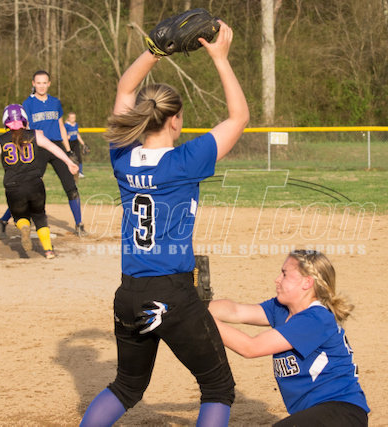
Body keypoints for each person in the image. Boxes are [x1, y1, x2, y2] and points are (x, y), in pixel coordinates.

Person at [80, 21, 249, 427]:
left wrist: (154, 51)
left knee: (126, 386)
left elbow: (125, 89)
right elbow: (239, 117)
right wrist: (220, 59)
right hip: (171, 294)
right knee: (217, 387)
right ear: (174, 121)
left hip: (129, 293)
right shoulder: (185, 161)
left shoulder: (122, 156)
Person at [208, 250, 370, 427]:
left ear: (307, 282)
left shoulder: (316, 319)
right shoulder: (282, 309)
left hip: (341, 413)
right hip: (316, 414)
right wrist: (194, 306)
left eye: (285, 274)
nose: (277, 279)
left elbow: (251, 347)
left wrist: (202, 320)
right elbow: (235, 311)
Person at [0, 70, 88, 238]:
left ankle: (79, 224)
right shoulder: (28, 104)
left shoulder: (55, 102)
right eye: (38, 83)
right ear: (33, 84)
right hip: (38, 147)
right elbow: (24, 128)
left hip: (56, 146)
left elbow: (61, 126)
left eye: (44, 82)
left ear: (49, 84)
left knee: (71, 187)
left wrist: (68, 151)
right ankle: (3, 221)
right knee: (27, 188)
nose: (42, 86)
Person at [0, 104, 79, 259]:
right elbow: (53, 148)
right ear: (24, 119)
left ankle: (24, 226)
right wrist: (69, 162)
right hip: (35, 184)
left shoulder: (0, 140)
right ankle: (48, 250)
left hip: (13, 187)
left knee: (20, 216)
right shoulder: (34, 135)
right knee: (39, 216)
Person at [64, 111, 87, 178]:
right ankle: (67, 172)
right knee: (68, 157)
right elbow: (63, 135)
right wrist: (66, 137)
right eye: (71, 117)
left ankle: (80, 172)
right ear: (68, 118)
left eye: (74, 117)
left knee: (78, 157)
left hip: (75, 142)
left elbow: (77, 135)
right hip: (68, 143)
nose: (73, 119)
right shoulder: (66, 125)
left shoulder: (76, 124)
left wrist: (83, 144)